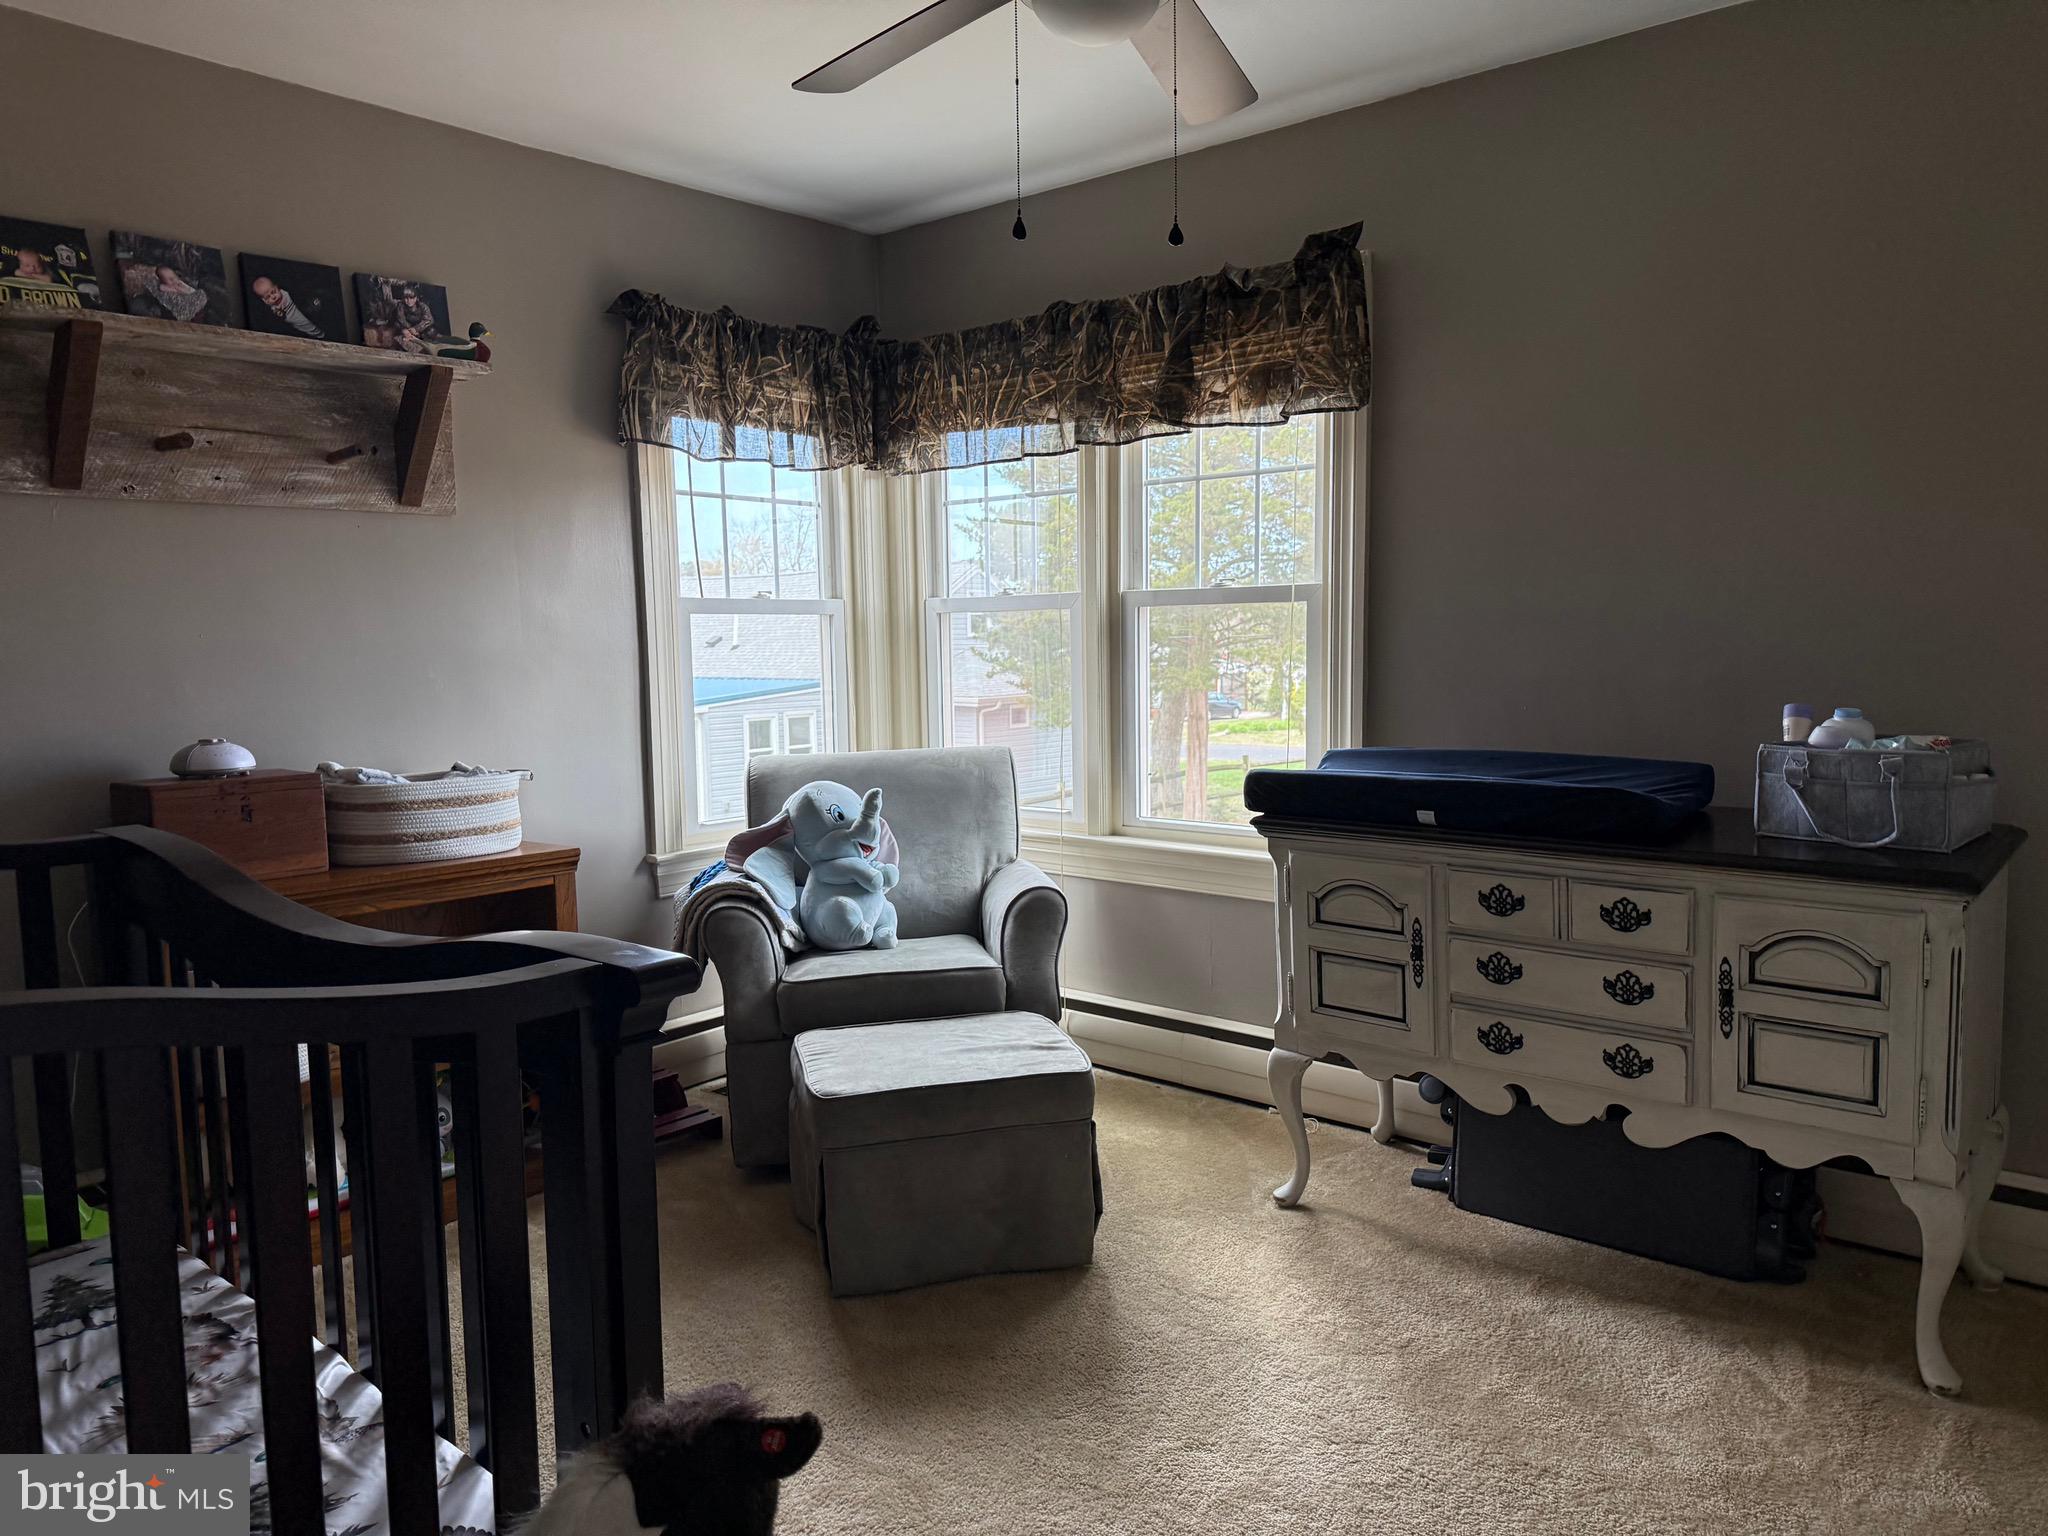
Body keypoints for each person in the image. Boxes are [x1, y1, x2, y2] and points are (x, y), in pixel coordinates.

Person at [251, 274, 324, 338]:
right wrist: (278, 313)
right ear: (264, 301)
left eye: (273, 292)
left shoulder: (287, 292)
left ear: (277, 287)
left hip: (310, 315)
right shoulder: (273, 310)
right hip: (303, 329)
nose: (273, 297)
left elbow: (301, 295)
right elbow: (277, 323)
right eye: (268, 297)